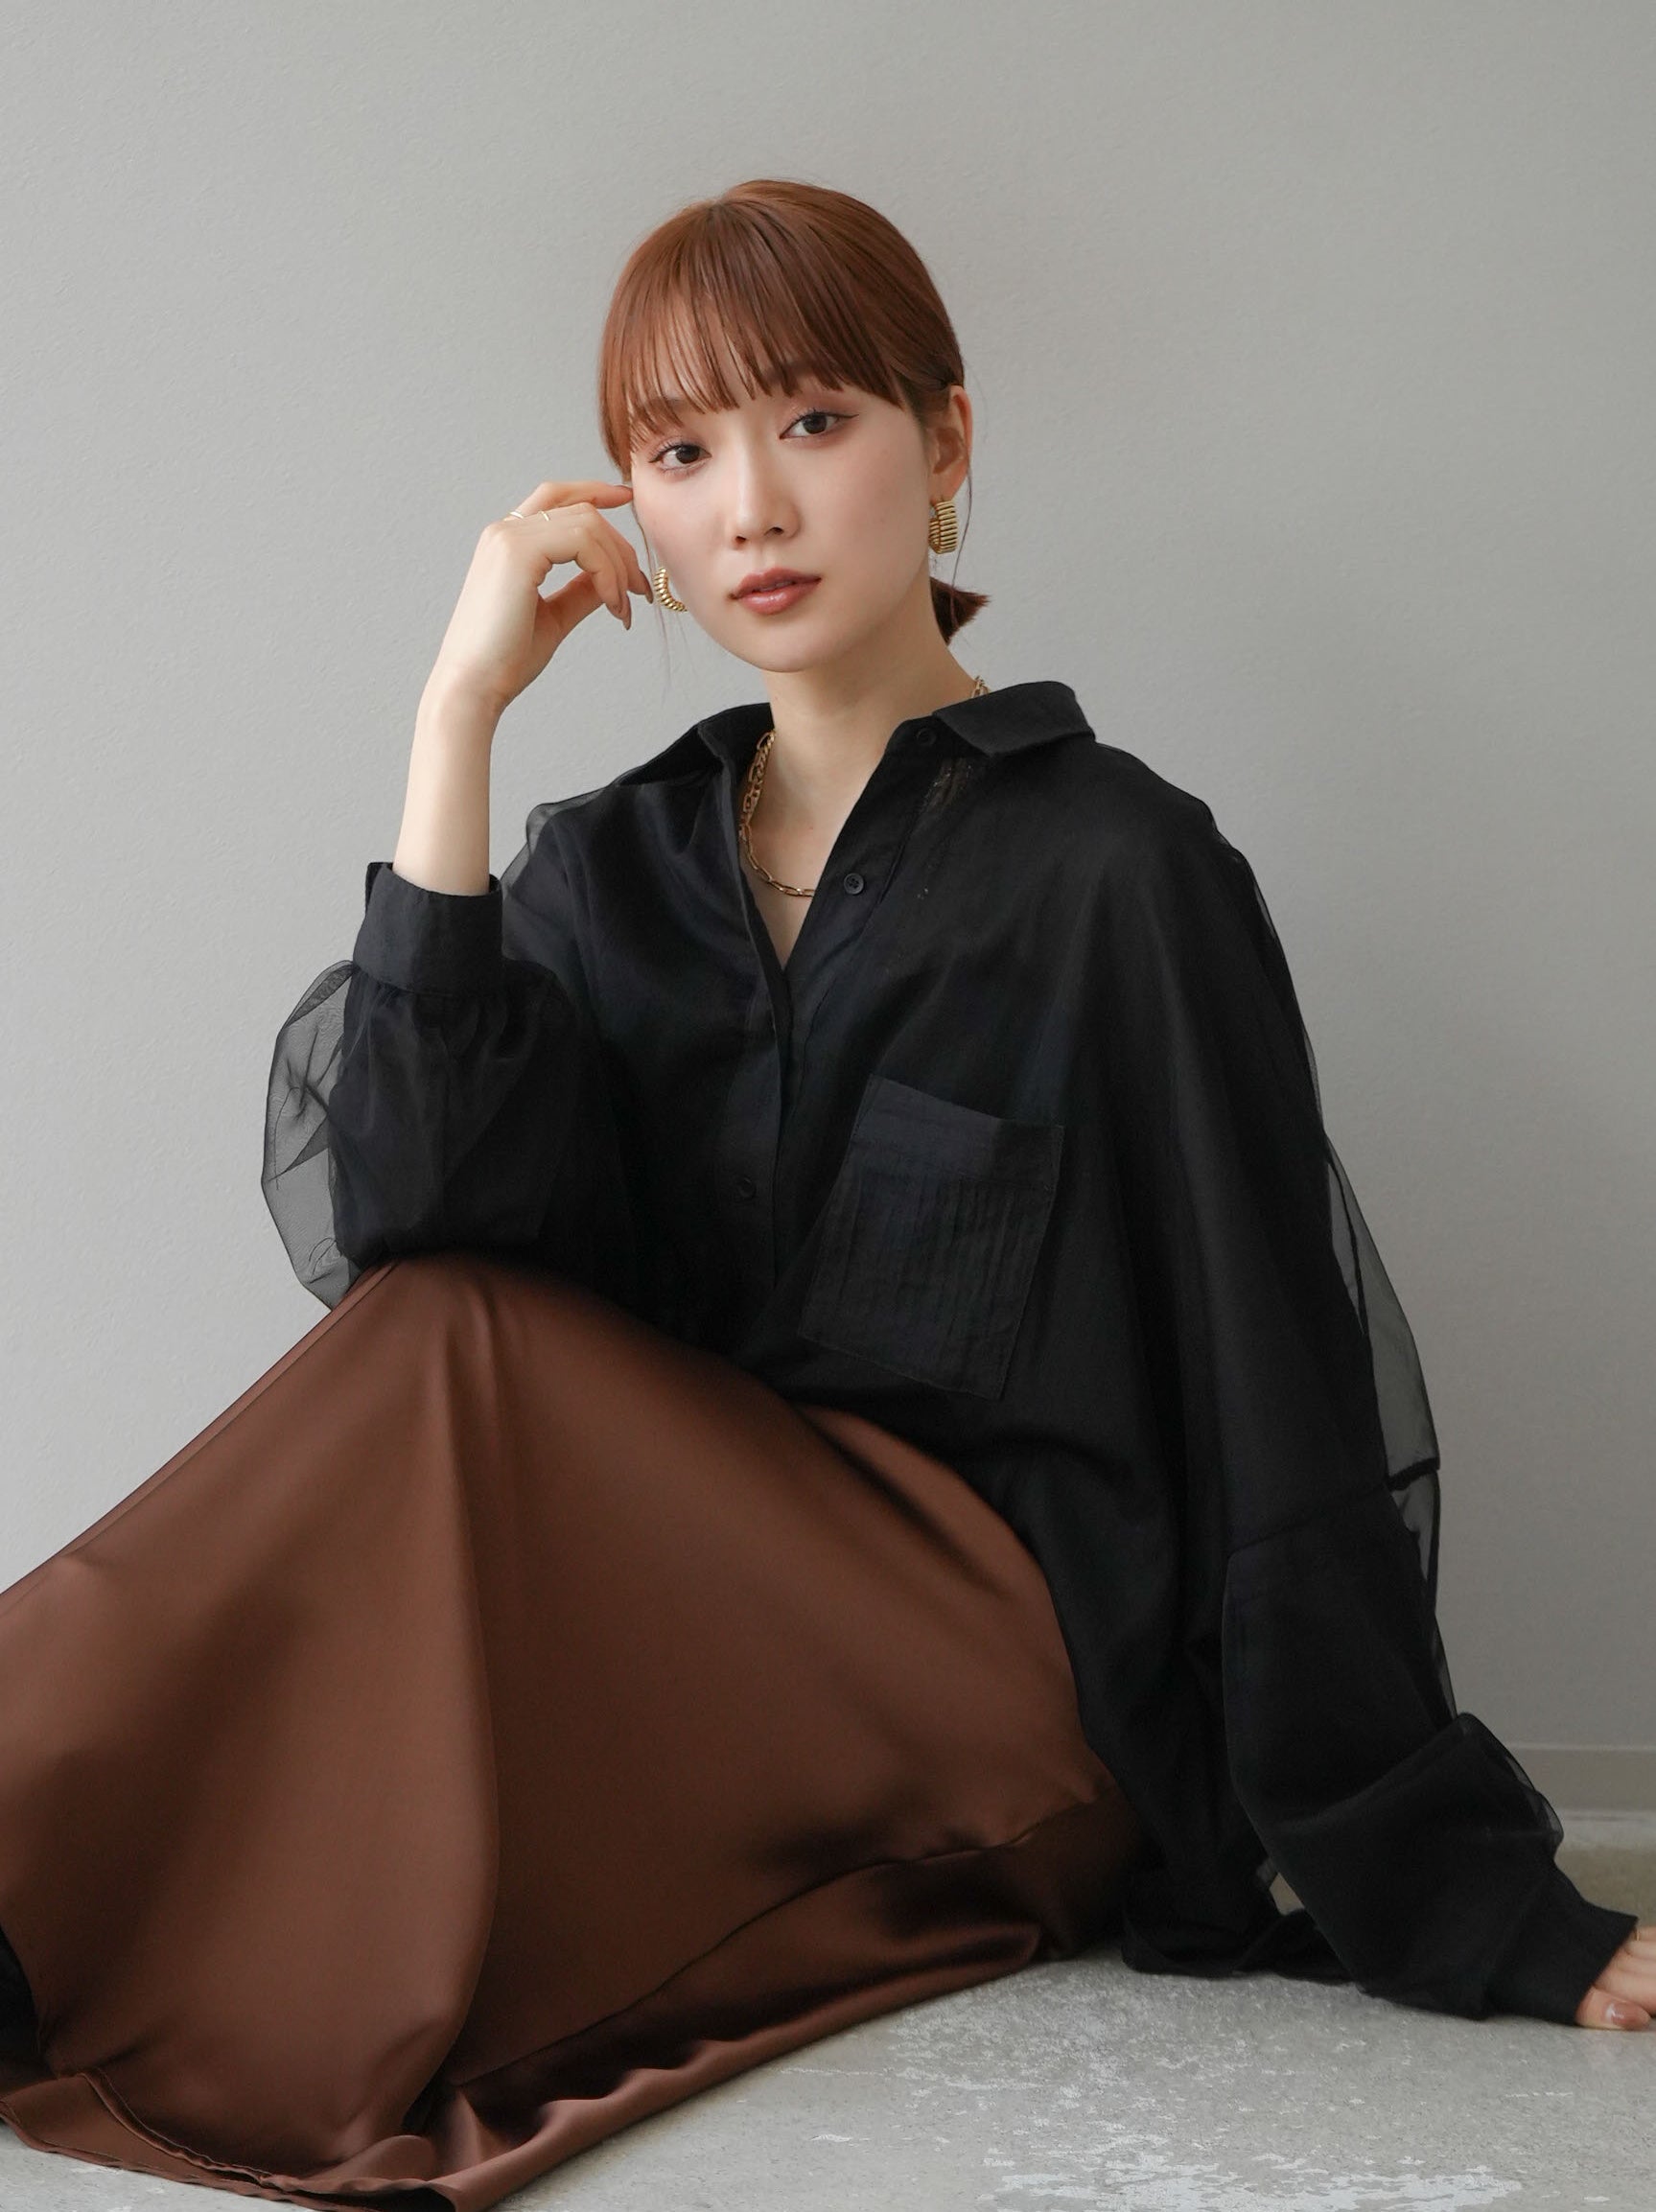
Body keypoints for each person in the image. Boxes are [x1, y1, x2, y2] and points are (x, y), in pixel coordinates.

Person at [2, 177, 1650, 2210]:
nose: (753, 509)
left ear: (943, 444)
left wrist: (1478, 1899)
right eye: (680, 454)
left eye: (810, 421)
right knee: (444, 1329)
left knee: (455, 1361)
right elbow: (405, 1231)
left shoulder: (1120, 872)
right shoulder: (613, 870)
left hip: (999, 1688)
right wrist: (456, 722)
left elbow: (1275, 1381)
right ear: (627, 510)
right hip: (687, 1671)